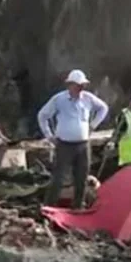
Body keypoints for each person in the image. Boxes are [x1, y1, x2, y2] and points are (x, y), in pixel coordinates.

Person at [37, 69, 109, 210]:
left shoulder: (88, 98)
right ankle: (49, 206)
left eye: (82, 85)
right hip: (64, 144)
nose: (81, 88)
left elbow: (103, 108)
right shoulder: (59, 100)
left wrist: (93, 125)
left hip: (82, 144)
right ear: (70, 85)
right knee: (58, 177)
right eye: (78, 85)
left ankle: (78, 206)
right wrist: (49, 135)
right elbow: (42, 115)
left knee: (81, 177)